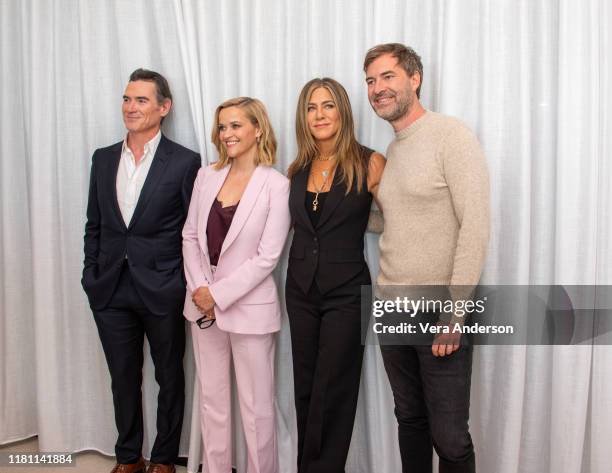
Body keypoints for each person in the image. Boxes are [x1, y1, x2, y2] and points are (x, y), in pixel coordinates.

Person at [363, 43, 490, 473]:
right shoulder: (394, 149)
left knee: (451, 437)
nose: (377, 89)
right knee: (410, 419)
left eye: (387, 77)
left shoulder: (450, 135)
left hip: (439, 309)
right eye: (370, 81)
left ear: (414, 79)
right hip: (391, 306)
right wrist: (364, 196)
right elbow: (398, 222)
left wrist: (456, 313)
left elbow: (474, 226)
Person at [82, 68, 200, 473]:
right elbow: (94, 224)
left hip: (163, 287)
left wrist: (183, 282)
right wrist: (90, 274)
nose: (131, 107)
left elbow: (192, 231)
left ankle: (165, 459)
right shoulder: (102, 159)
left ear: (163, 107)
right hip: (110, 288)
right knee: (122, 378)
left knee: (169, 377)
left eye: (142, 100)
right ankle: (128, 457)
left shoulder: (185, 161)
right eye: (127, 99)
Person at [182, 97, 291, 473]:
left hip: (249, 309)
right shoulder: (205, 175)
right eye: (223, 126)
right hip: (201, 306)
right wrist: (201, 290)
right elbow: (191, 236)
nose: (227, 134)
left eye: (236, 125)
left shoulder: (276, 185)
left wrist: (218, 294)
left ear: (257, 128)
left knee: (257, 407)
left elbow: (267, 256)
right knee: (212, 401)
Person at [285, 77, 385, 472]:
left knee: (334, 391)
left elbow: (398, 218)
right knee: (306, 389)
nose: (320, 115)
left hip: (346, 292)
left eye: (328, 105)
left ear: (343, 110)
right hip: (299, 289)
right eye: (311, 107)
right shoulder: (297, 168)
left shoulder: (370, 162)